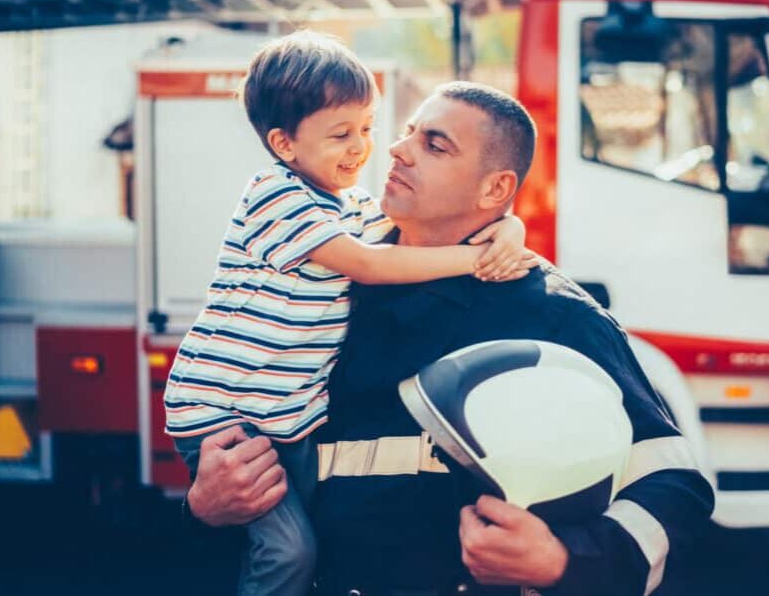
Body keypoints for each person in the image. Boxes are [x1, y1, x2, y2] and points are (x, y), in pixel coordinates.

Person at [183, 81, 716, 596]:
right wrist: (204, 508)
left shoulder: (553, 315)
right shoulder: (323, 284)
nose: (396, 148)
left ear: (496, 189)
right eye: (408, 131)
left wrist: (562, 559)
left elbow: (674, 483)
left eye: (434, 144)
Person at [165, 34, 532, 596]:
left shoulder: (349, 204)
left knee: (327, 533)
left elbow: (415, 232)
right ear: (284, 144)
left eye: (366, 127)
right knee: (289, 550)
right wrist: (478, 258)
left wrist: (509, 224)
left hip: (287, 416)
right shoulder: (275, 195)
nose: (364, 147)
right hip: (231, 416)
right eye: (341, 134)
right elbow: (369, 263)